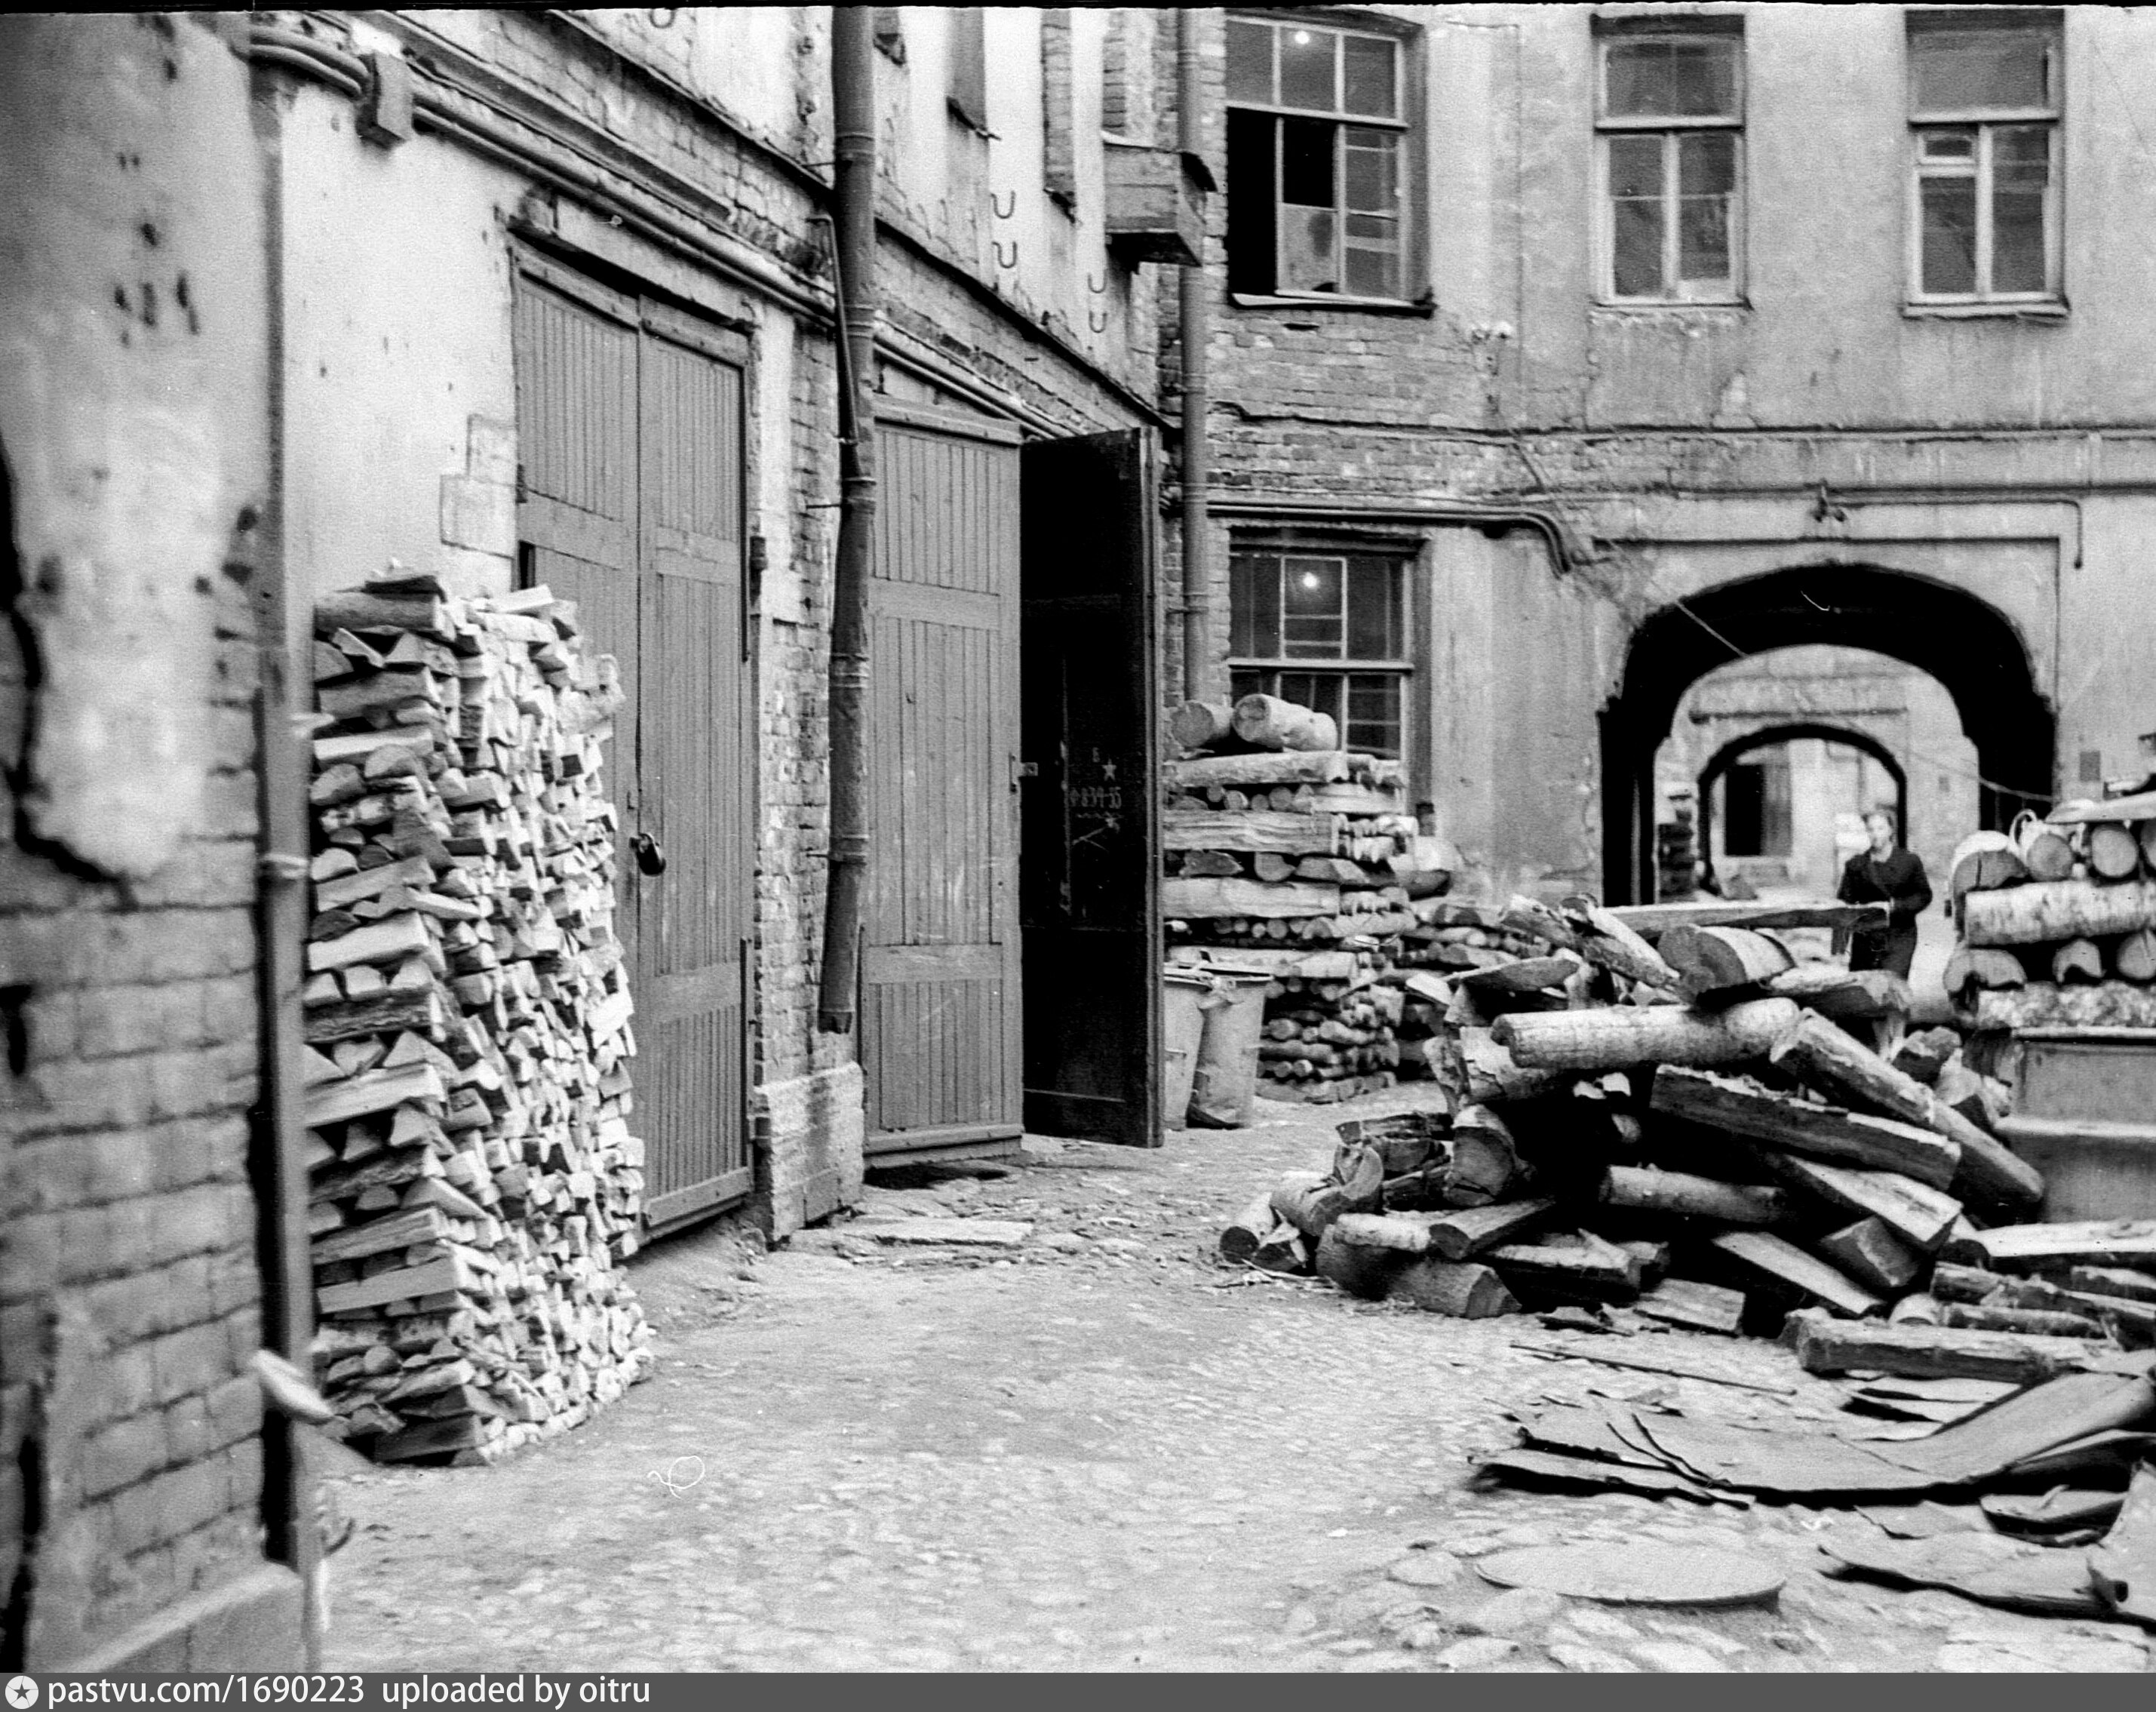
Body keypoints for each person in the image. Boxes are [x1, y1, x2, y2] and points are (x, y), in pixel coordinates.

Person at [1838, 804, 1931, 979]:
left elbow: (1924, 895)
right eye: (1871, 829)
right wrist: (1861, 910)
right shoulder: (1856, 865)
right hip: (1866, 937)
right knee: (1864, 988)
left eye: (1880, 828)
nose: (1875, 834)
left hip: (1899, 934)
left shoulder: (1909, 862)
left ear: (1890, 830)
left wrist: (1895, 906)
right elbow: (1844, 901)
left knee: (1893, 984)